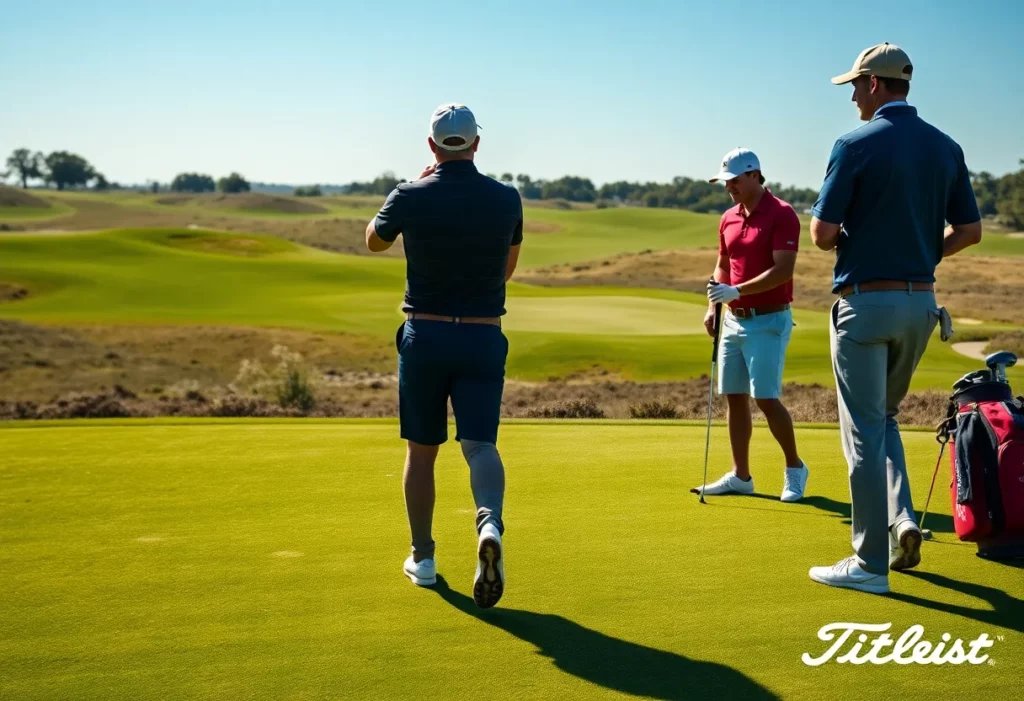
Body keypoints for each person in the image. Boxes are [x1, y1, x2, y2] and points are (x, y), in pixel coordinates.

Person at [807, 43, 982, 594]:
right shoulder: (946, 146)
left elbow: (821, 234)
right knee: (883, 419)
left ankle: (868, 565)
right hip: (920, 306)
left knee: (861, 433)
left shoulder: (854, 143)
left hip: (865, 304)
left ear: (877, 85)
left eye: (856, 86)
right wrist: (920, 254)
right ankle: (903, 517)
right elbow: (970, 231)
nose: (853, 96)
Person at [365, 103, 523, 609]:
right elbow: (506, 270)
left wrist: (408, 190)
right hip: (481, 336)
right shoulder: (506, 198)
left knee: (421, 450)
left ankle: (424, 558)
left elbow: (373, 241)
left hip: (425, 336)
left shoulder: (409, 194)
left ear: (432, 146)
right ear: (477, 143)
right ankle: (489, 524)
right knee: (479, 447)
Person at [694, 147, 809, 502]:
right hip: (733, 319)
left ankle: (794, 468)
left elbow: (782, 270)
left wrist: (736, 289)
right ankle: (741, 476)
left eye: (734, 180)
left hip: (769, 319)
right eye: (725, 181)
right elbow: (723, 263)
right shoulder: (728, 217)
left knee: (766, 398)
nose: (729, 187)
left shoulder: (783, 214)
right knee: (734, 396)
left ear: (755, 176)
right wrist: (715, 304)